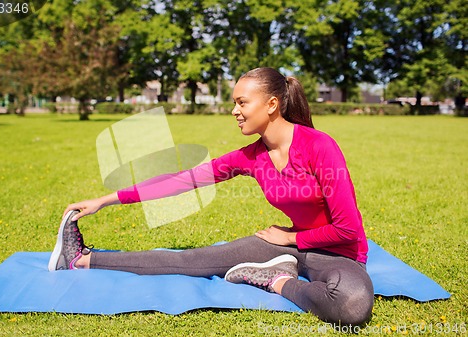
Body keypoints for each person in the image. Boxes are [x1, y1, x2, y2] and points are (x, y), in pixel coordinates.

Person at [49, 67, 374, 325]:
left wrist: (290, 241)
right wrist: (106, 200)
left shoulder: (319, 146)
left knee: (352, 304)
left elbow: (348, 229)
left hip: (338, 254)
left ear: (272, 104)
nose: (234, 111)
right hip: (286, 244)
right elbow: (183, 181)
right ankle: (82, 258)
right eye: (234, 102)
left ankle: (275, 280)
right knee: (191, 261)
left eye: (242, 102)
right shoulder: (251, 157)